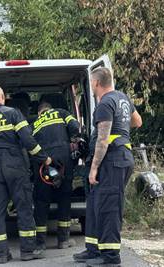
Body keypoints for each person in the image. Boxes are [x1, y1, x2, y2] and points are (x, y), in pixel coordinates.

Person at [0, 85, 52, 263]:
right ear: (3, 97)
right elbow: (28, 140)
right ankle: (27, 251)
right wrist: (44, 158)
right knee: (23, 207)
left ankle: (2, 254)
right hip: (16, 166)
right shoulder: (14, 113)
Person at [73, 67, 142, 266]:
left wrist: (93, 169)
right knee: (96, 204)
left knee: (109, 208)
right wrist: (121, 126)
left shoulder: (104, 104)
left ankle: (111, 257)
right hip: (120, 157)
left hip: (112, 159)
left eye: (92, 85)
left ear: (95, 83)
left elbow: (102, 141)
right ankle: (93, 249)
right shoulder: (123, 98)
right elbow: (137, 122)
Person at [31, 101, 80, 250]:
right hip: (64, 159)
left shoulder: (34, 123)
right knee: (64, 198)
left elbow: (29, 144)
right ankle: (63, 240)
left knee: (41, 201)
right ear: (50, 109)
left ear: (40, 113)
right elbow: (75, 127)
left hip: (43, 162)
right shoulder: (62, 112)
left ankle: (40, 243)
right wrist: (73, 139)